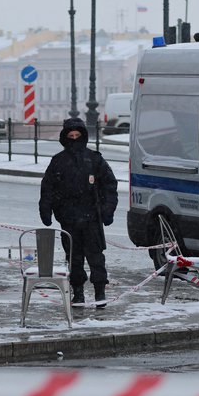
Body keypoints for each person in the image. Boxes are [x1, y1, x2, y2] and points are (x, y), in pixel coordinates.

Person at [39, 117, 118, 308]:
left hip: (92, 218)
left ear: (83, 136)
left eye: (77, 135)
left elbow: (110, 185)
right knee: (74, 258)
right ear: (65, 138)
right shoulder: (58, 161)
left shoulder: (94, 159)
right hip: (69, 219)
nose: (74, 139)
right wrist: (46, 210)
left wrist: (108, 211)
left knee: (96, 257)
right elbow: (47, 187)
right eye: (70, 135)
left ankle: (100, 292)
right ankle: (78, 292)